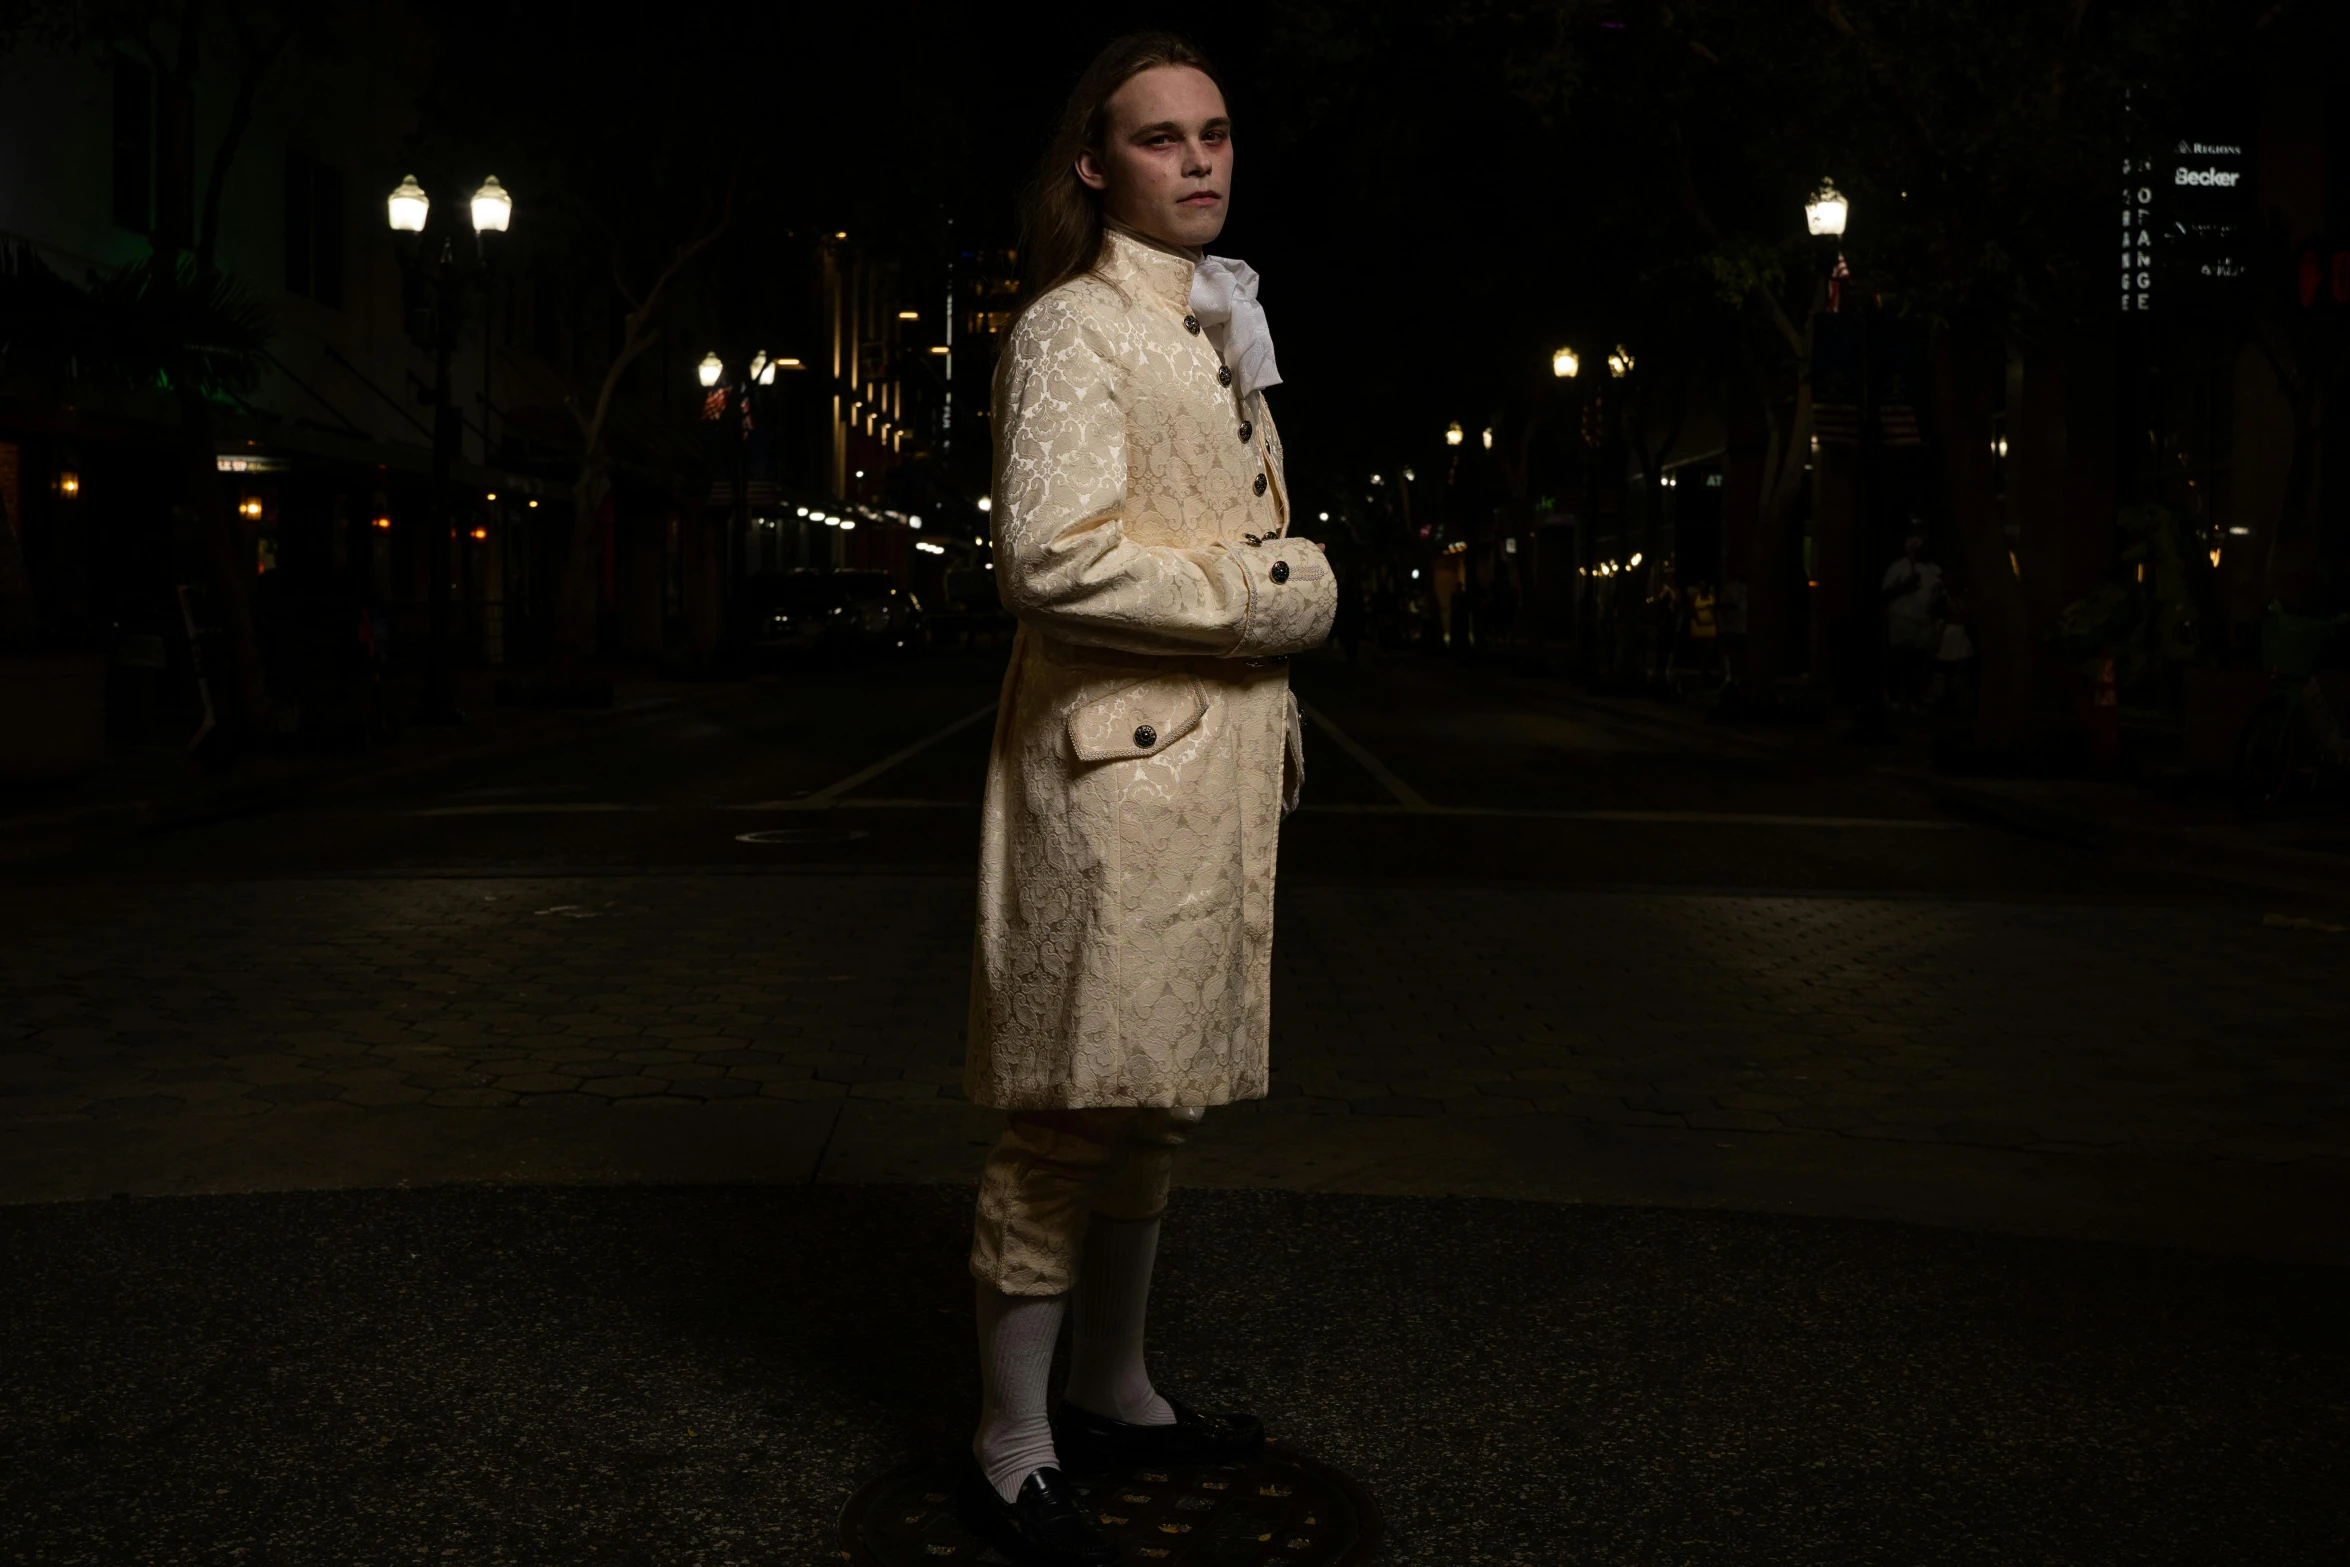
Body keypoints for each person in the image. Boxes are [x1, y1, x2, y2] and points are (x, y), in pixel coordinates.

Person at [960, 33, 1338, 1567]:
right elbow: (1045, 557)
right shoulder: (1072, 326)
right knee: (1067, 1106)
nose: (1198, 159)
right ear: (1093, 165)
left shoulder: (1213, 326)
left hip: (1214, 780)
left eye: (1216, 133)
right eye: (1160, 138)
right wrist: (1266, 593)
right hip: (1113, 780)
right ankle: (1010, 1435)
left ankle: (1113, 1388)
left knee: (1159, 1099)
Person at [1881, 528, 1941, 708]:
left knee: (1918, 660)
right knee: (1899, 657)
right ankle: (1893, 696)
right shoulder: (1898, 567)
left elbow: (1939, 593)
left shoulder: (1934, 569)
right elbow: (1884, 594)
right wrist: (1904, 587)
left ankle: (1914, 698)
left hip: (1923, 622)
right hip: (1902, 620)